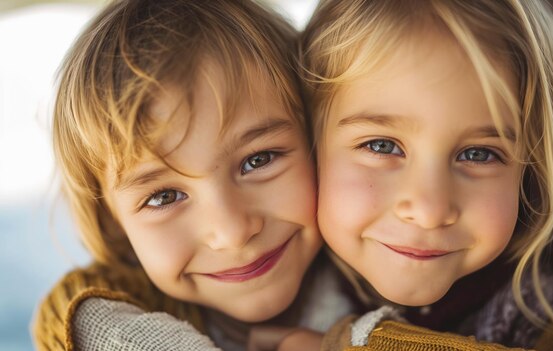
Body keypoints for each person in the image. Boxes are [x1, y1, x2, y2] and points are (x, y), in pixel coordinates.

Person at [299, 0, 553, 350]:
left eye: (477, 154)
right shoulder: (280, 278)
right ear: (310, 144)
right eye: (381, 146)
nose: (429, 211)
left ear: (532, 169)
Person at [32, 0, 352, 350]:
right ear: (115, 226)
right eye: (164, 197)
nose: (232, 233)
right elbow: (72, 317)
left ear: (316, 140)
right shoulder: (118, 311)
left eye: (259, 160)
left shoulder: (382, 263)